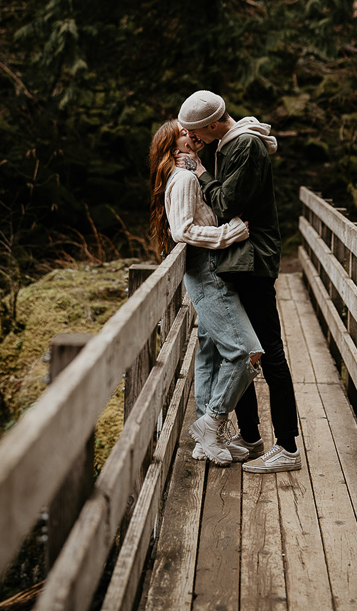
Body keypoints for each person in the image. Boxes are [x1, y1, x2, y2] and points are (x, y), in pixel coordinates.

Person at [176, 90, 301, 474]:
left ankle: (288, 447)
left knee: (269, 352)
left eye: (198, 132)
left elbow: (226, 203)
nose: (194, 139)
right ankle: (249, 436)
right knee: (247, 349)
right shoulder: (228, 143)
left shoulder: (244, 145)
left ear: (214, 124)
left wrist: (200, 172)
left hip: (254, 261)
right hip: (239, 261)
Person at [149, 119, 263, 465]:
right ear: (173, 146)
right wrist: (229, 234)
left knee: (210, 350)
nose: (192, 134)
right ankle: (211, 423)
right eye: (184, 133)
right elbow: (183, 230)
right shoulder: (183, 178)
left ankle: (204, 438)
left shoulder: (187, 174)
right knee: (246, 352)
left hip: (207, 271)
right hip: (208, 271)